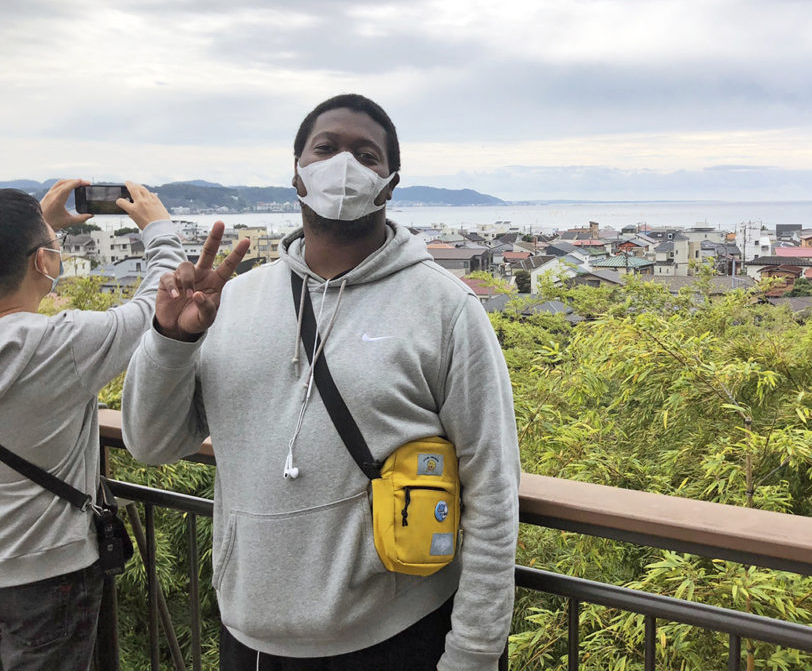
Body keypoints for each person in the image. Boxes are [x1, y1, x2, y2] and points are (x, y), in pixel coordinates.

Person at [121, 94, 520, 671]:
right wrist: (170, 338)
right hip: (250, 633)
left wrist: (475, 652)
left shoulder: (445, 308)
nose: (344, 166)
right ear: (297, 171)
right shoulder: (232, 299)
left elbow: (492, 487)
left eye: (367, 155)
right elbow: (149, 443)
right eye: (326, 149)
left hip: (399, 631)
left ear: (391, 183)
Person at [0, 179, 189, 671]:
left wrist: (38, 236)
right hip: (45, 571)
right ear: (43, 262)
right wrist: (160, 230)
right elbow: (157, 305)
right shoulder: (59, 345)